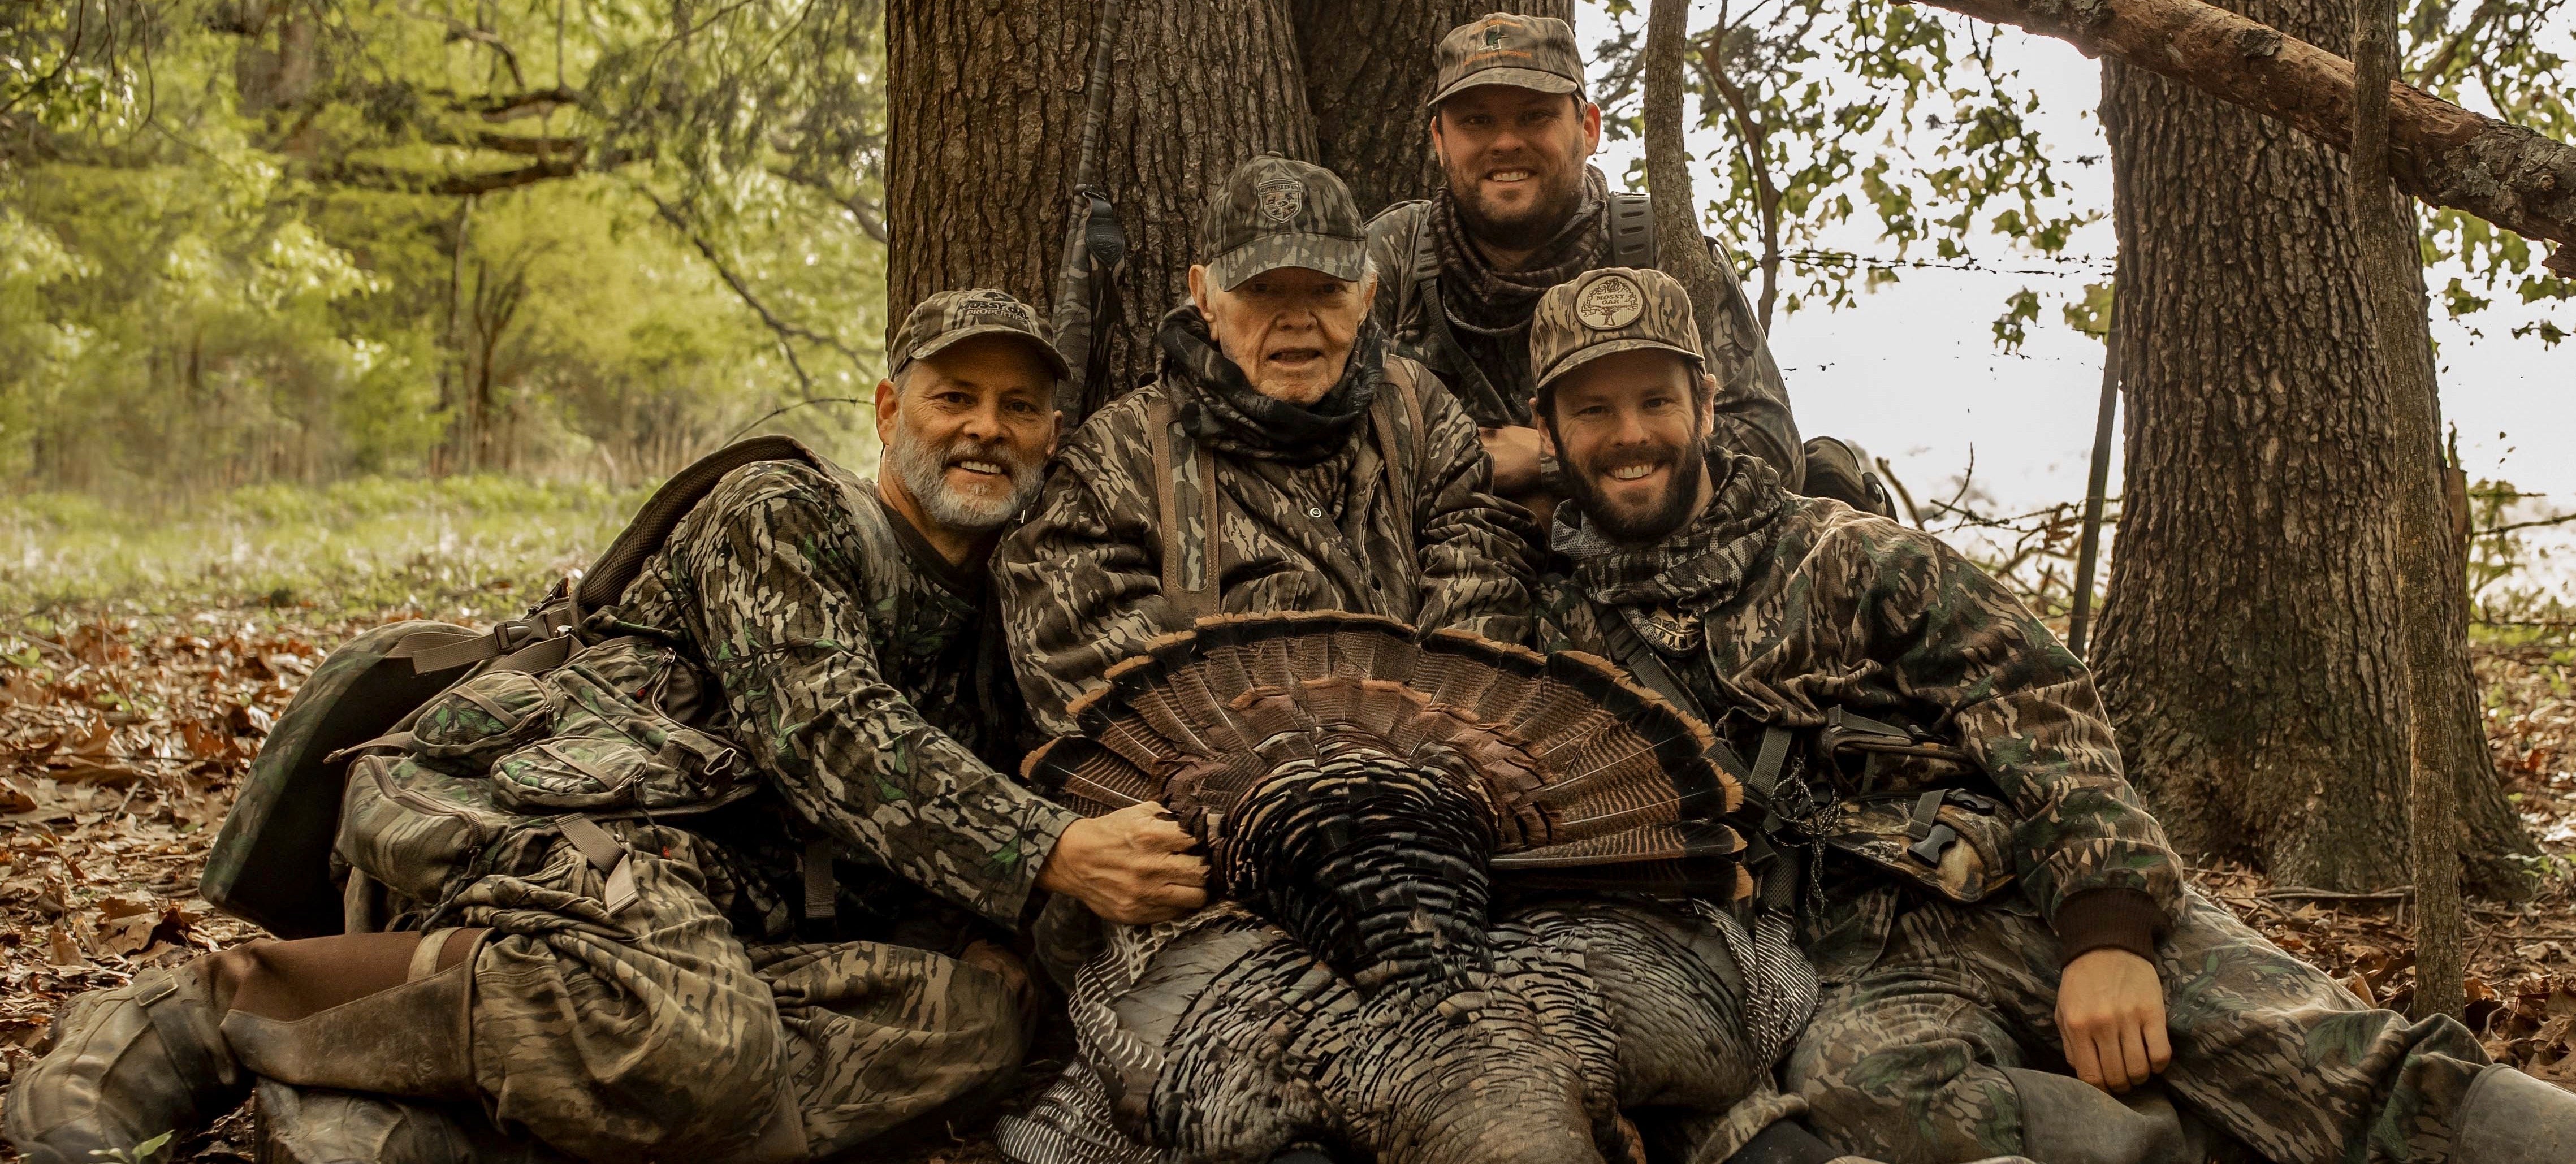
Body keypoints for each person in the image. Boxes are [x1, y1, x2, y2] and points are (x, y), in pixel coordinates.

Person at [1519, 267, 2576, 1164]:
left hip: (2024, 892)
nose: (1630, 435)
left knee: (2337, 1062)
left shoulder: (1850, 556)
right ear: (1551, 432)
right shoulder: (1555, 640)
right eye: (1594, 412)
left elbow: (2046, 711)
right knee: (1873, 1102)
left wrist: (2107, 935)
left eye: (1653, 400)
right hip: (1844, 965)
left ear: (1706, 400)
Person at [3, 289, 1207, 1164]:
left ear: (1054, 435)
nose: (984, 429)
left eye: (1017, 407)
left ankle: (390, 1124)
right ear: (891, 408)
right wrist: (1049, 853)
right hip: (555, 814)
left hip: (720, 898)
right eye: (954, 398)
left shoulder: (1007, 607)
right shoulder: (783, 509)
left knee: (979, 1026)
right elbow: (825, 732)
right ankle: (217, 1006)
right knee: (708, 1047)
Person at [1000, 154, 1533, 733]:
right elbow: (1081, 656)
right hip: (1225, 804)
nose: (1296, 319)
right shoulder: (1122, 456)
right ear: (1205, 297)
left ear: (1367, 297)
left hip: (1431, 771)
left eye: (1327, 291)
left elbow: (1486, 578)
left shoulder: (1419, 410)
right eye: (1262, 290)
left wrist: (1415, 750)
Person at [1362, 12, 1804, 526]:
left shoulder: (1658, 248)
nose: (1506, 142)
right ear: (1439, 139)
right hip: (1440, 575)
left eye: (1534, 117)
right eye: (1477, 121)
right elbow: (1329, 447)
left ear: (1588, 129)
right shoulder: (1391, 255)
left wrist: (1553, 460)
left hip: (1652, 581)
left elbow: (1772, 450)